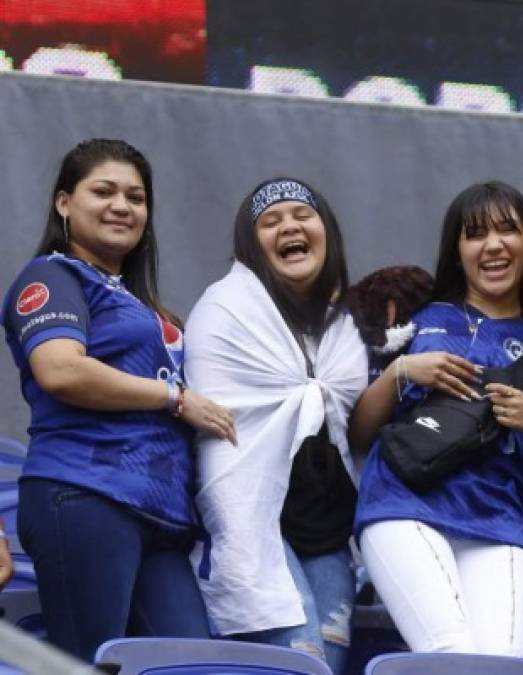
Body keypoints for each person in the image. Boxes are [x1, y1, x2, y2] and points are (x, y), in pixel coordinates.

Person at [1, 138, 232, 660]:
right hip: (85, 492)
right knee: (85, 665)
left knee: (189, 666)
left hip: (160, 515)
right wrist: (175, 398)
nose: (122, 206)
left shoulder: (137, 299)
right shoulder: (51, 276)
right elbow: (60, 371)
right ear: (64, 202)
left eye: (136, 197)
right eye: (103, 191)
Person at [349, 181, 523, 656]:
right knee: (450, 653)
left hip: (499, 523)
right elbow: (357, 432)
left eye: (507, 231)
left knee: (498, 669)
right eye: (475, 234)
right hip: (402, 505)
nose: (493, 245)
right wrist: (401, 371)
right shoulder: (417, 316)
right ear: (457, 252)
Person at [185, 178, 367, 674]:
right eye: (271, 221)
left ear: (327, 232)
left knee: (327, 656)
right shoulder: (224, 310)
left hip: (326, 529)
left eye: (303, 215)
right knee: (301, 657)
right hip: (252, 520)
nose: (289, 225)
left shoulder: (344, 325)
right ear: (252, 245)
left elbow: (349, 416)